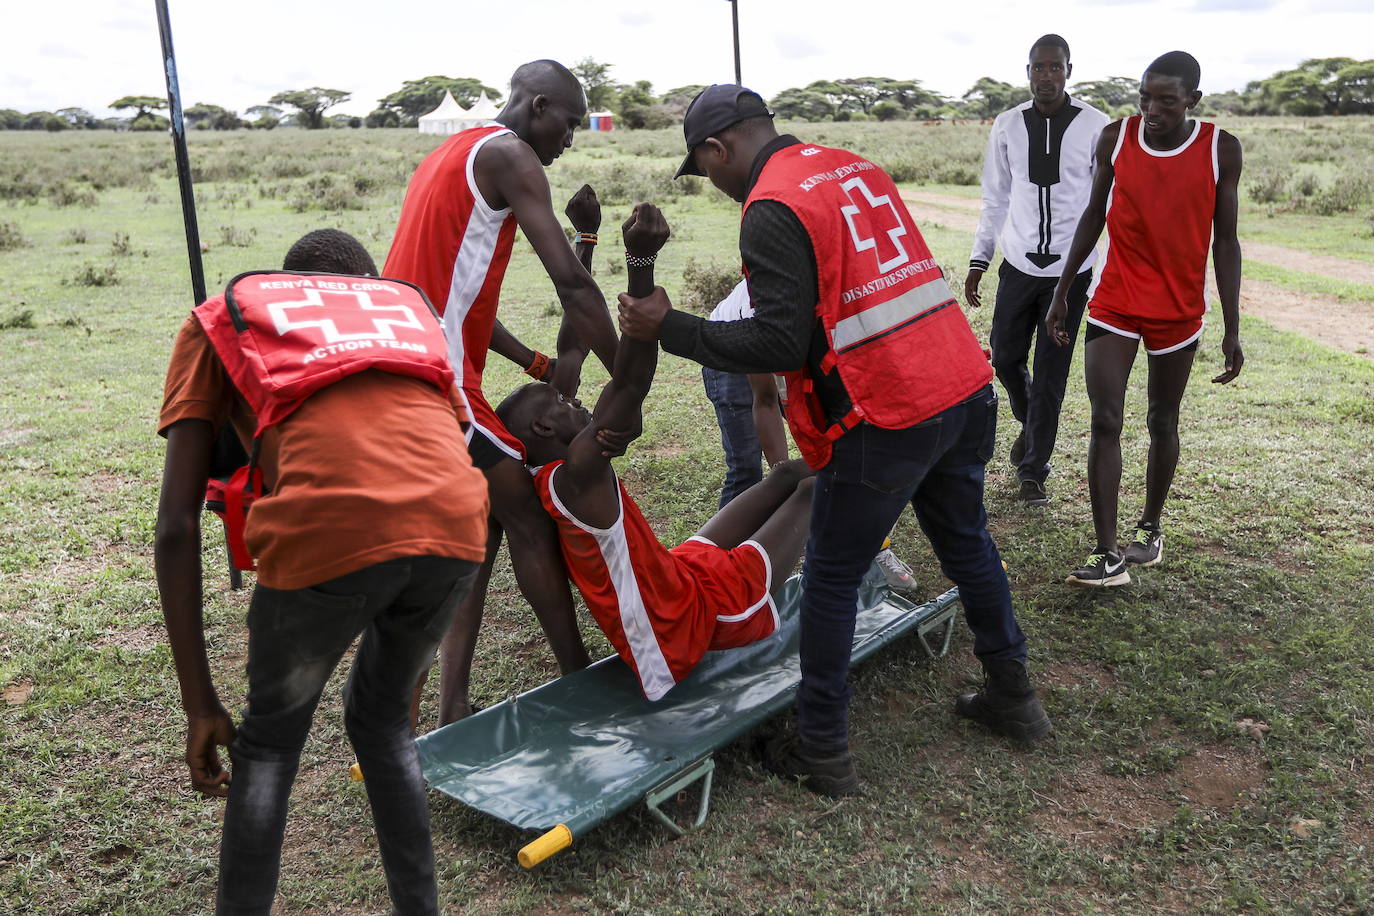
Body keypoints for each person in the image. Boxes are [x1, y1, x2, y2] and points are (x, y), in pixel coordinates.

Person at [618, 85, 1052, 798]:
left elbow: (779, 339)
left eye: (706, 169)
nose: (718, 186)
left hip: (887, 410)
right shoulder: (853, 166)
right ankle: (1015, 694)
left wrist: (670, 326)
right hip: (958, 384)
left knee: (829, 577)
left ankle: (821, 748)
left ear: (716, 149)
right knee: (967, 543)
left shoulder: (770, 207)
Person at [155, 229, 489, 914]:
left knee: (271, 747)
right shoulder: (406, 317)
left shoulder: (227, 318)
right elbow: (446, 452)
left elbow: (176, 525)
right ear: (362, 283)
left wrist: (198, 702)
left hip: (325, 530)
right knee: (384, 721)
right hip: (457, 526)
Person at [498, 203, 816, 698]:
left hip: (675, 576)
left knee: (782, 477)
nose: (574, 396)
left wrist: (586, 235)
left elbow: (572, 344)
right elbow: (630, 382)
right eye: (563, 400)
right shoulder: (578, 475)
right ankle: (859, 550)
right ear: (543, 426)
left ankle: (840, 473)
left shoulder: (558, 465)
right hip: (682, 628)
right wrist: (640, 264)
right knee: (814, 491)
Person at [384, 59, 619, 723]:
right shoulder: (513, 157)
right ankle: (578, 678)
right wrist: (630, 376)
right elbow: (573, 286)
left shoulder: (452, 154)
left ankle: (451, 706)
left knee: (481, 528)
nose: (572, 137)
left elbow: (458, 299)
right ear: (538, 106)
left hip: (410, 365)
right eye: (570, 122)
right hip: (438, 381)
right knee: (523, 513)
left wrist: (537, 362)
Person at [1046, 51, 1244, 587]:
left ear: (1192, 101)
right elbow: (1094, 214)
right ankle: (1106, 553)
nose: (1152, 109)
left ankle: (1150, 528)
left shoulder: (1219, 148)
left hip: (1178, 310)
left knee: (1162, 420)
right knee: (1105, 418)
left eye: (1167, 100)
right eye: (1145, 97)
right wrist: (1063, 290)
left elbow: (1225, 241)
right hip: (1115, 299)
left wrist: (1232, 325)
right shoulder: (1116, 138)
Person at [966, 34, 1110, 506]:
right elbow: (995, 196)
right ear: (1027, 72)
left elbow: (1103, 202)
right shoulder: (1007, 125)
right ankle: (1031, 429)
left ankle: (1034, 469)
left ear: (1070, 69)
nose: (1046, 76)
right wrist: (979, 258)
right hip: (1019, 262)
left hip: (1073, 269)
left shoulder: (1096, 126)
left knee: (1052, 371)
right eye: (1037, 68)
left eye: (1055, 68)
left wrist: (1098, 269)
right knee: (1005, 357)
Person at [703, 279, 918, 593]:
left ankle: (872, 548)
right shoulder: (763, 310)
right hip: (729, 351)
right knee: (747, 468)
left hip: (799, 345)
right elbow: (764, 400)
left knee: (848, 457)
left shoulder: (849, 308)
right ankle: (715, 572)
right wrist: (784, 479)